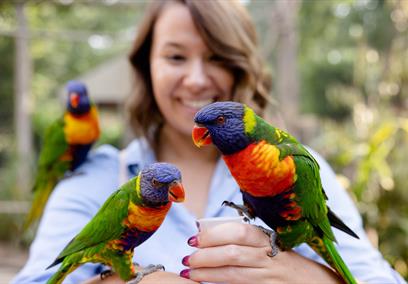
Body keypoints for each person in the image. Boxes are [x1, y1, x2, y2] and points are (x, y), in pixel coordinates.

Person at [13, 0, 405, 283]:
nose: (198, 79)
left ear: (240, 66)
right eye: (176, 57)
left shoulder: (295, 165)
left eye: (216, 57)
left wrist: (304, 276)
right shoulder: (94, 179)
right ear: (146, 66)